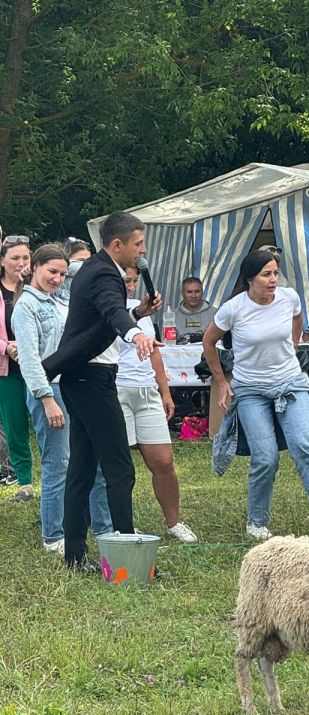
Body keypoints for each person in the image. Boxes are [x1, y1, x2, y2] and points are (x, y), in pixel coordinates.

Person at [202, 249, 309, 541]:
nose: (273, 280)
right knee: (266, 457)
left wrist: (290, 352)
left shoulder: (289, 297)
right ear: (250, 279)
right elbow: (209, 343)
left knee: (304, 446)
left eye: (275, 273)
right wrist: (222, 382)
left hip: (290, 383)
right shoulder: (233, 308)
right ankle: (256, 522)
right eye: (266, 274)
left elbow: (297, 323)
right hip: (250, 390)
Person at [42, 211, 162, 570]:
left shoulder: (94, 269)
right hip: (92, 380)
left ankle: (75, 557)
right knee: (120, 469)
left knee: (81, 469)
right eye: (138, 244)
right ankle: (127, 559)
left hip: (79, 379)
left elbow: (107, 316)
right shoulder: (105, 274)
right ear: (117, 245)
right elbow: (112, 312)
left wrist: (140, 312)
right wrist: (136, 332)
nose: (142, 250)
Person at [13, 244, 112, 555]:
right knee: (59, 463)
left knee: (91, 460)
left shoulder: (60, 303)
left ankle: (103, 526)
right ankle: (53, 535)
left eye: (61, 274)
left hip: (74, 387)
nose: (57, 278)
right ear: (35, 267)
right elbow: (29, 360)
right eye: (51, 272)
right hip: (49, 391)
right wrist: (46, 398)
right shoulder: (25, 307)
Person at [116, 265, 197, 543]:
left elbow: (154, 351)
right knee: (119, 464)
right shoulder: (102, 307)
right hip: (115, 388)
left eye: (133, 280)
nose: (130, 285)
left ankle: (174, 522)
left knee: (163, 461)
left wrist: (165, 391)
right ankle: (120, 523)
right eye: (125, 280)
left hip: (146, 388)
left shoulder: (143, 310)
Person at [0, 234, 34, 502]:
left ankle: (61, 474)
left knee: (51, 423)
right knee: (16, 427)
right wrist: (7, 347)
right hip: (7, 371)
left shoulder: (39, 287)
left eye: (25, 257)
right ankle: (25, 483)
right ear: (2, 261)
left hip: (40, 367)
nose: (21, 262)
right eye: (15, 258)